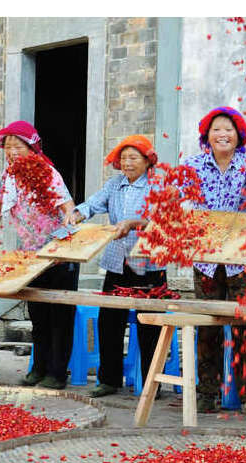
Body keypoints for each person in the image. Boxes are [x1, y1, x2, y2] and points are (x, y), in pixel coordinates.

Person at [0, 120, 79, 389]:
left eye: (18, 145)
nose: (12, 151)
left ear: (31, 147)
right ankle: (38, 369)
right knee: (38, 314)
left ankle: (56, 373)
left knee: (59, 316)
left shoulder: (48, 172)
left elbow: (69, 207)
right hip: (30, 255)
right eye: (8, 147)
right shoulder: (7, 177)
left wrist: (68, 222)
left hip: (59, 253)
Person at [180, 106, 246, 416]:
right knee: (208, 328)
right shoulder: (192, 165)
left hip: (243, 259)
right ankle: (206, 393)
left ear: (239, 135)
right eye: (217, 129)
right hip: (206, 259)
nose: (223, 134)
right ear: (207, 134)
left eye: (229, 129)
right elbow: (179, 199)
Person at [70, 135, 167, 398]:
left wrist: (134, 223)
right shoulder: (115, 185)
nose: (127, 163)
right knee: (109, 321)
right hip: (117, 262)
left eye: (134, 157)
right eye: (123, 158)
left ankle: (151, 382)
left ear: (148, 161)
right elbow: (94, 203)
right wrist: (78, 213)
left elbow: (163, 218)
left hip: (148, 263)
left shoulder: (158, 185)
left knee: (149, 324)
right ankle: (109, 379)